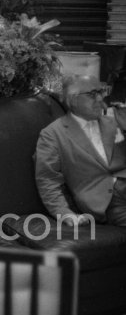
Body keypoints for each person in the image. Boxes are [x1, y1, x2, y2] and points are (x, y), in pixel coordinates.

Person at [36, 74, 126, 226]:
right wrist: (64, 213)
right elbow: (48, 179)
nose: (99, 99)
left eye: (101, 92)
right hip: (104, 201)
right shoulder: (53, 134)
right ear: (72, 100)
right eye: (92, 94)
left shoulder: (112, 121)